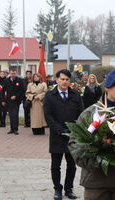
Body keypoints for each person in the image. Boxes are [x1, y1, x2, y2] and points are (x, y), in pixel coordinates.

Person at [69, 68, 115, 200]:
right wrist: (94, 163)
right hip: (96, 181)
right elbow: (74, 143)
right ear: (107, 87)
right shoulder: (90, 113)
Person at [43, 69, 84, 200]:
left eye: (67, 79)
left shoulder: (75, 95)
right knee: (56, 165)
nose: (64, 82)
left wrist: (76, 129)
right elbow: (48, 116)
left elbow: (81, 113)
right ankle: (57, 189)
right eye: (62, 79)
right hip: (57, 135)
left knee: (71, 165)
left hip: (73, 136)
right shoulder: (50, 95)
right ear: (57, 80)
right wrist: (59, 130)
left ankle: (68, 188)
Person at [2, 70, 24, 135]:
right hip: (8, 100)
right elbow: (3, 91)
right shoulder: (6, 80)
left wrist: (16, 96)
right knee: (11, 115)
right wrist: (3, 100)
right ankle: (11, 129)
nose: (13, 75)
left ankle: (15, 129)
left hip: (16, 101)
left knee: (15, 114)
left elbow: (22, 90)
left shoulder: (19, 80)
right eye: (12, 73)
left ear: (16, 74)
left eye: (14, 73)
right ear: (10, 74)